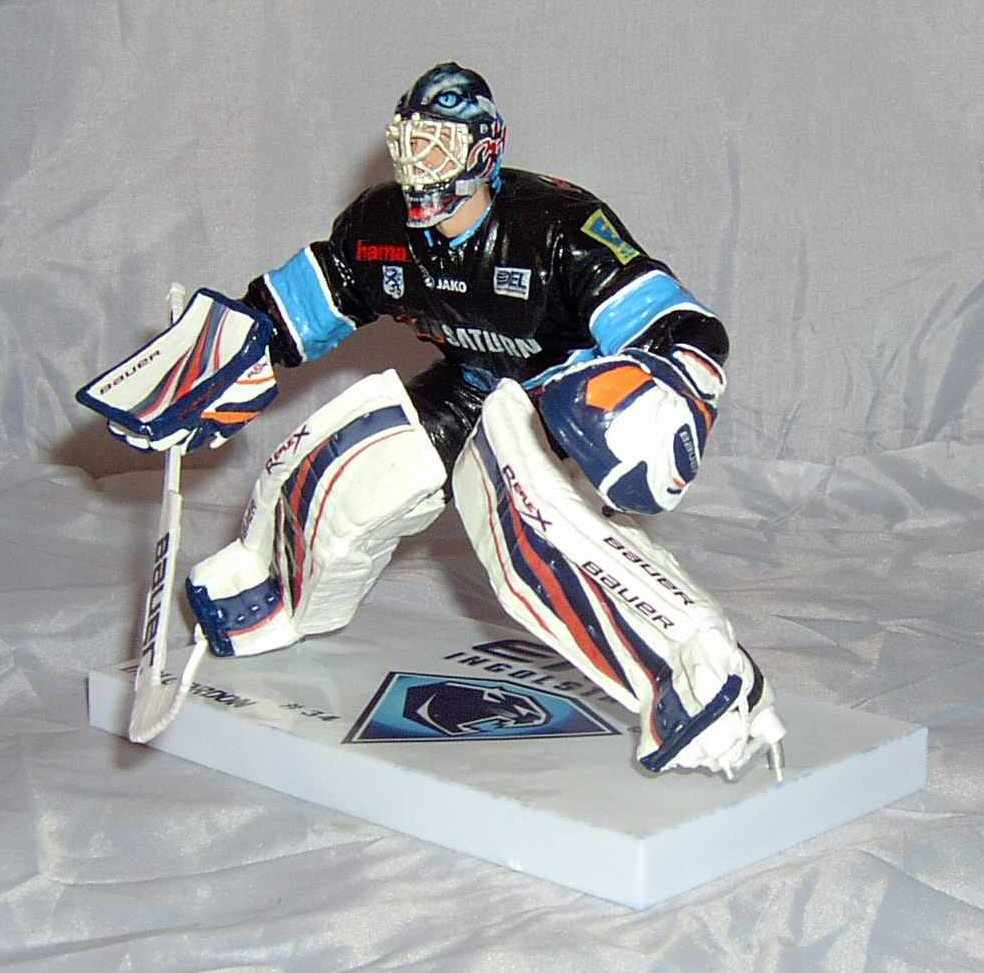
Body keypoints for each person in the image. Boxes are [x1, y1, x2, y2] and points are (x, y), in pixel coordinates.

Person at [81, 62, 785, 780]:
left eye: (438, 147)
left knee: (529, 519)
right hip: (470, 380)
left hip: (551, 397)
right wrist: (205, 369)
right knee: (353, 460)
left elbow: (678, 323)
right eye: (410, 144)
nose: (420, 165)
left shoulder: (556, 229)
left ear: (485, 149)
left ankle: (701, 670)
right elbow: (290, 313)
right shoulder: (380, 225)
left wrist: (666, 388)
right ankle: (273, 592)